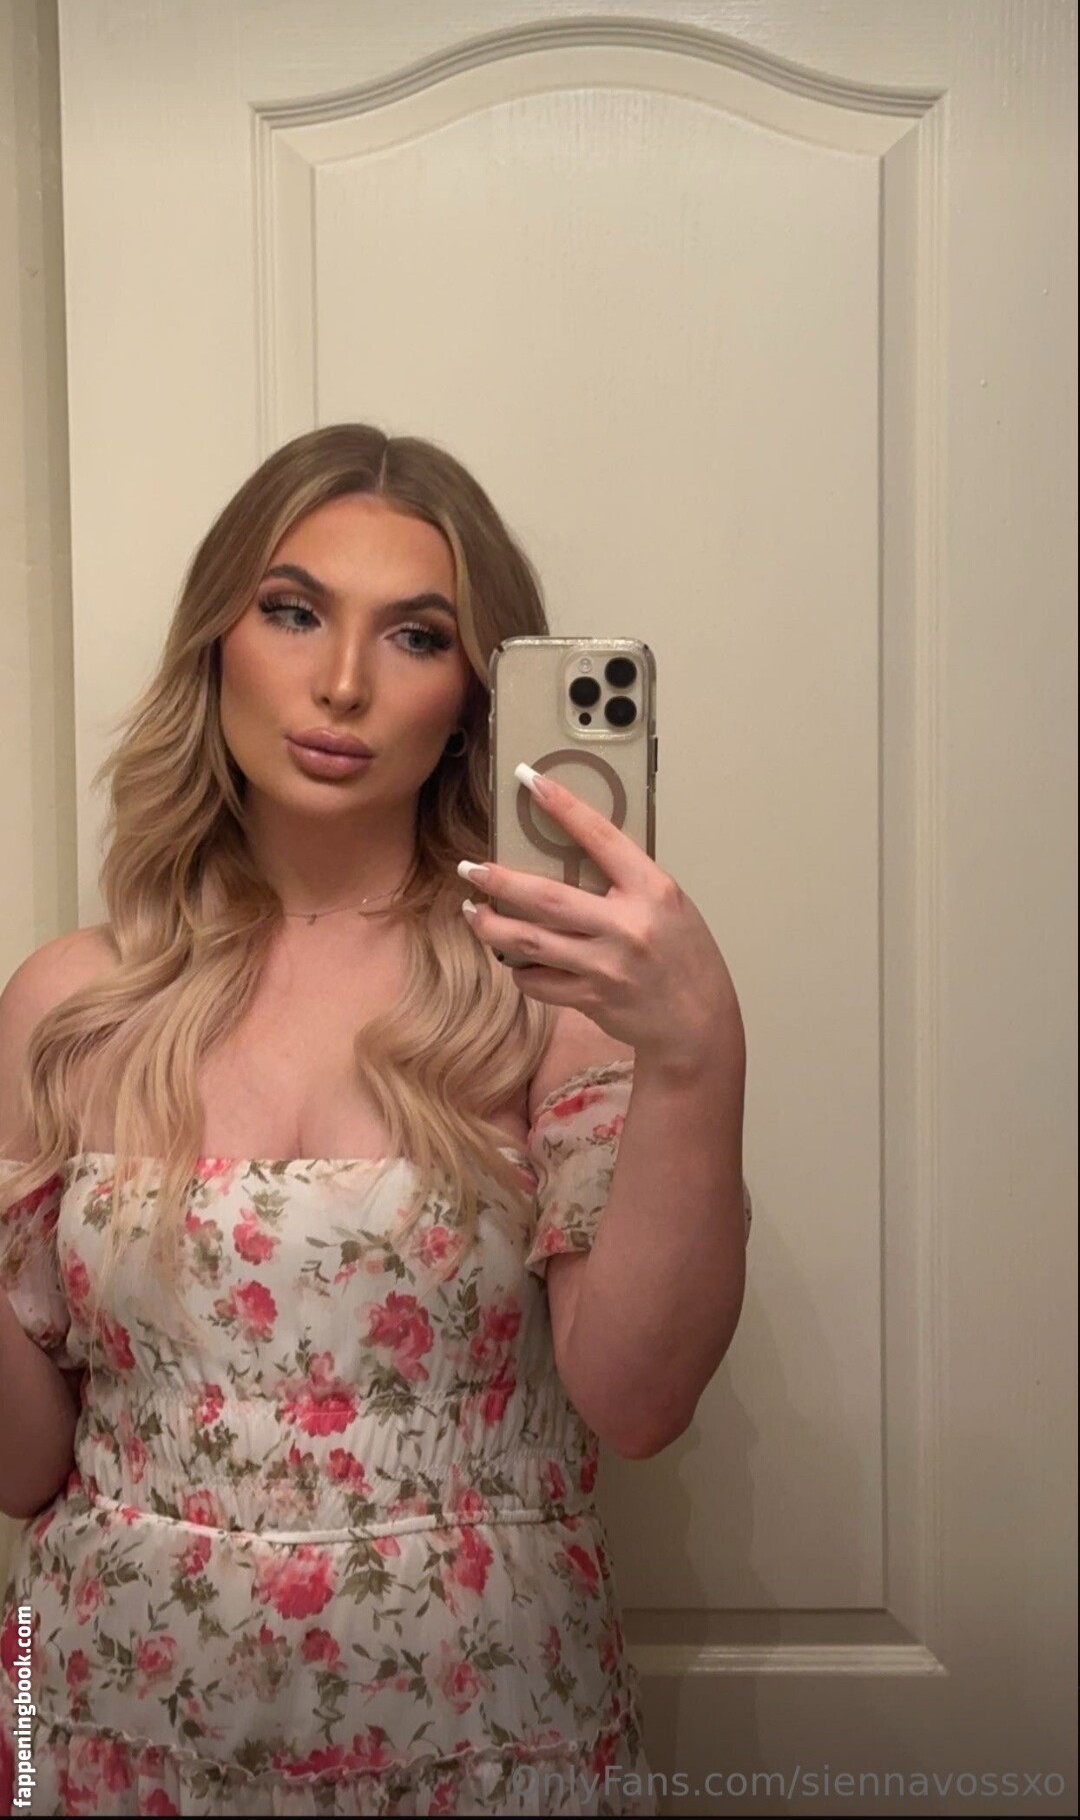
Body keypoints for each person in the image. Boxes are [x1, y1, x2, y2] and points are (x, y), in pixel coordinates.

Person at [0, 423, 751, 1816]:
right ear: (216, 642)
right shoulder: (72, 1002)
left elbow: (641, 1405)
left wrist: (699, 1053)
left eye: (415, 635)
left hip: (483, 1735)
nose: (342, 680)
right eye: (293, 611)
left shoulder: (550, 998)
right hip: (107, 1733)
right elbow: (23, 1462)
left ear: (473, 696)